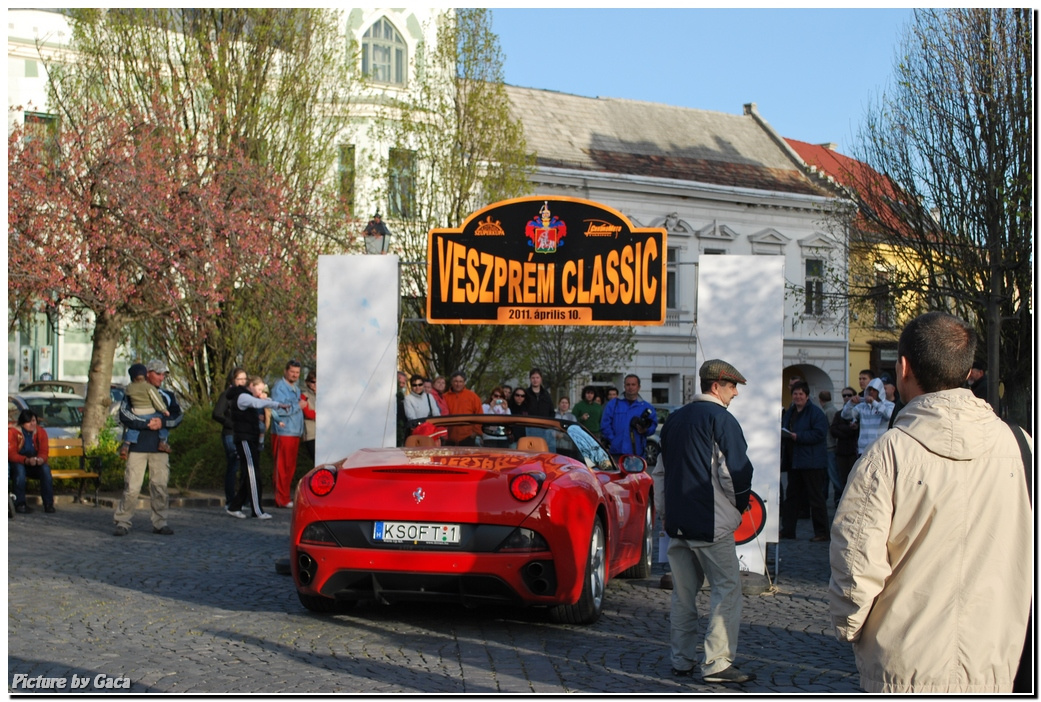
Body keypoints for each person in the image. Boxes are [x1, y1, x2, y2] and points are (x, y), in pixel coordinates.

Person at [829, 311, 1032, 693]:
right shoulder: (1021, 446)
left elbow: (855, 561)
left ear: (903, 367)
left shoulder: (887, 455)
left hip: (905, 664)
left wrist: (849, 626)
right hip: (997, 657)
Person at [661, 359, 755, 685]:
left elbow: (660, 472)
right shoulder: (721, 419)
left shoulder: (673, 420)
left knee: (683, 595)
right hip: (710, 522)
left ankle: (681, 659)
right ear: (716, 386)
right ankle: (717, 665)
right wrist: (739, 505)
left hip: (677, 522)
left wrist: (666, 513)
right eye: (732, 387)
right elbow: (736, 473)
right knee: (727, 589)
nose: (736, 393)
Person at [114, 359, 182, 536]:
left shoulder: (168, 395)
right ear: (147, 373)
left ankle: (160, 522)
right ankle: (123, 521)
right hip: (137, 447)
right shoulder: (131, 392)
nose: (161, 378)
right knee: (132, 487)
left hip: (160, 449)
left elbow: (177, 416)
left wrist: (162, 422)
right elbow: (124, 415)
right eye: (158, 374)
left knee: (159, 487)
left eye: (163, 375)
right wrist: (146, 424)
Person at [225, 376, 290, 520]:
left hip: (250, 439)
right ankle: (257, 510)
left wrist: (274, 404)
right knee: (253, 474)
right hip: (244, 439)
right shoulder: (243, 397)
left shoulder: (247, 396)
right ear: (251, 386)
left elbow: (261, 402)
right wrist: (278, 405)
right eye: (259, 389)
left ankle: (235, 506)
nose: (260, 392)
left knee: (251, 474)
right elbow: (257, 403)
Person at [780, 381, 830, 542]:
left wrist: (798, 436)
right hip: (795, 461)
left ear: (807, 396)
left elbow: (820, 433)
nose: (798, 397)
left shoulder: (816, 412)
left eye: (801, 394)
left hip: (812, 462)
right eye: (795, 394)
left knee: (816, 498)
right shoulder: (790, 412)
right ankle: (788, 530)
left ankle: (822, 532)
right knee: (791, 498)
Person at [269, 360, 306, 509]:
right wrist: (298, 406)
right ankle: (281, 498)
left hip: (294, 432)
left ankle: (285, 496)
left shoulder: (295, 388)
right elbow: (277, 410)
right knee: (282, 467)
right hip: (283, 432)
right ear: (285, 371)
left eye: (297, 372)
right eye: (292, 372)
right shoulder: (280, 388)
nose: (295, 375)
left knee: (289, 466)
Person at [212, 367, 248, 507]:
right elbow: (217, 414)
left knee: (244, 467)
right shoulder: (227, 395)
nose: (242, 382)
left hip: (243, 434)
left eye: (244, 379)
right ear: (232, 380)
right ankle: (230, 499)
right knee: (233, 466)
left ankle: (242, 499)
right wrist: (231, 424)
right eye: (240, 379)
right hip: (230, 434)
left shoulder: (245, 395)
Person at [118, 365, 171, 460]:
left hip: (136, 412)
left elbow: (127, 399)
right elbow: (156, 400)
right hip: (150, 411)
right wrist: (164, 410)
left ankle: (126, 445)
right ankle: (163, 442)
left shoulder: (129, 388)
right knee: (163, 422)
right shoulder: (148, 387)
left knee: (133, 428)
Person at [8, 409, 55, 514]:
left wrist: (40, 459)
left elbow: (44, 451)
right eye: (29, 422)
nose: (32, 424)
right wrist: (26, 460)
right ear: (22, 422)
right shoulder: (13, 433)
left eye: (34, 421)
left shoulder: (40, 432)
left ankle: (48, 504)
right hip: (18, 462)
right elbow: (10, 454)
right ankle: (20, 504)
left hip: (34, 462)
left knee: (45, 469)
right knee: (19, 470)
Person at [600, 374, 657, 459]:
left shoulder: (646, 407)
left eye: (633, 385)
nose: (630, 387)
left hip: (637, 453)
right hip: (617, 452)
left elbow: (653, 426)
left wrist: (645, 430)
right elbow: (605, 425)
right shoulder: (613, 404)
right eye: (628, 384)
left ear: (639, 387)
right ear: (624, 386)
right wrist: (614, 440)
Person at [840, 377, 893, 458]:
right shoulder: (862, 406)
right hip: (864, 450)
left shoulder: (889, 405)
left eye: (874, 390)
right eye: (870, 389)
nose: (871, 392)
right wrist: (851, 403)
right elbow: (845, 415)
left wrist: (874, 403)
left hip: (880, 449)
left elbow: (889, 415)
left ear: (880, 391)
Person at [829, 387, 860, 505]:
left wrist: (844, 429)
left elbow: (857, 430)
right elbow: (833, 430)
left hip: (854, 450)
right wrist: (848, 429)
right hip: (841, 450)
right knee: (841, 478)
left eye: (849, 395)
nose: (846, 397)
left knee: (853, 478)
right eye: (844, 395)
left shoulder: (858, 411)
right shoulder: (839, 414)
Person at [443, 372, 483, 446]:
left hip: (468, 437)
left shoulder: (472, 396)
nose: (458, 384)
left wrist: (475, 432)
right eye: (456, 381)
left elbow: (479, 414)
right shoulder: (445, 397)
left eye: (460, 381)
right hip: (449, 437)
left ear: (464, 382)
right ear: (451, 382)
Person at [818, 390, 841, 505]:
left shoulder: (829, 411)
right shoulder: (829, 409)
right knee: (827, 475)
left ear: (820, 399)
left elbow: (832, 429)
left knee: (833, 474)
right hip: (828, 446)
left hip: (830, 446)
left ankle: (839, 496)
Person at [301, 371, 317, 462]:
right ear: (307, 382)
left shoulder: (326, 394)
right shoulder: (304, 396)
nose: (315, 384)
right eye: (313, 382)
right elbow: (308, 413)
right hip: (311, 434)